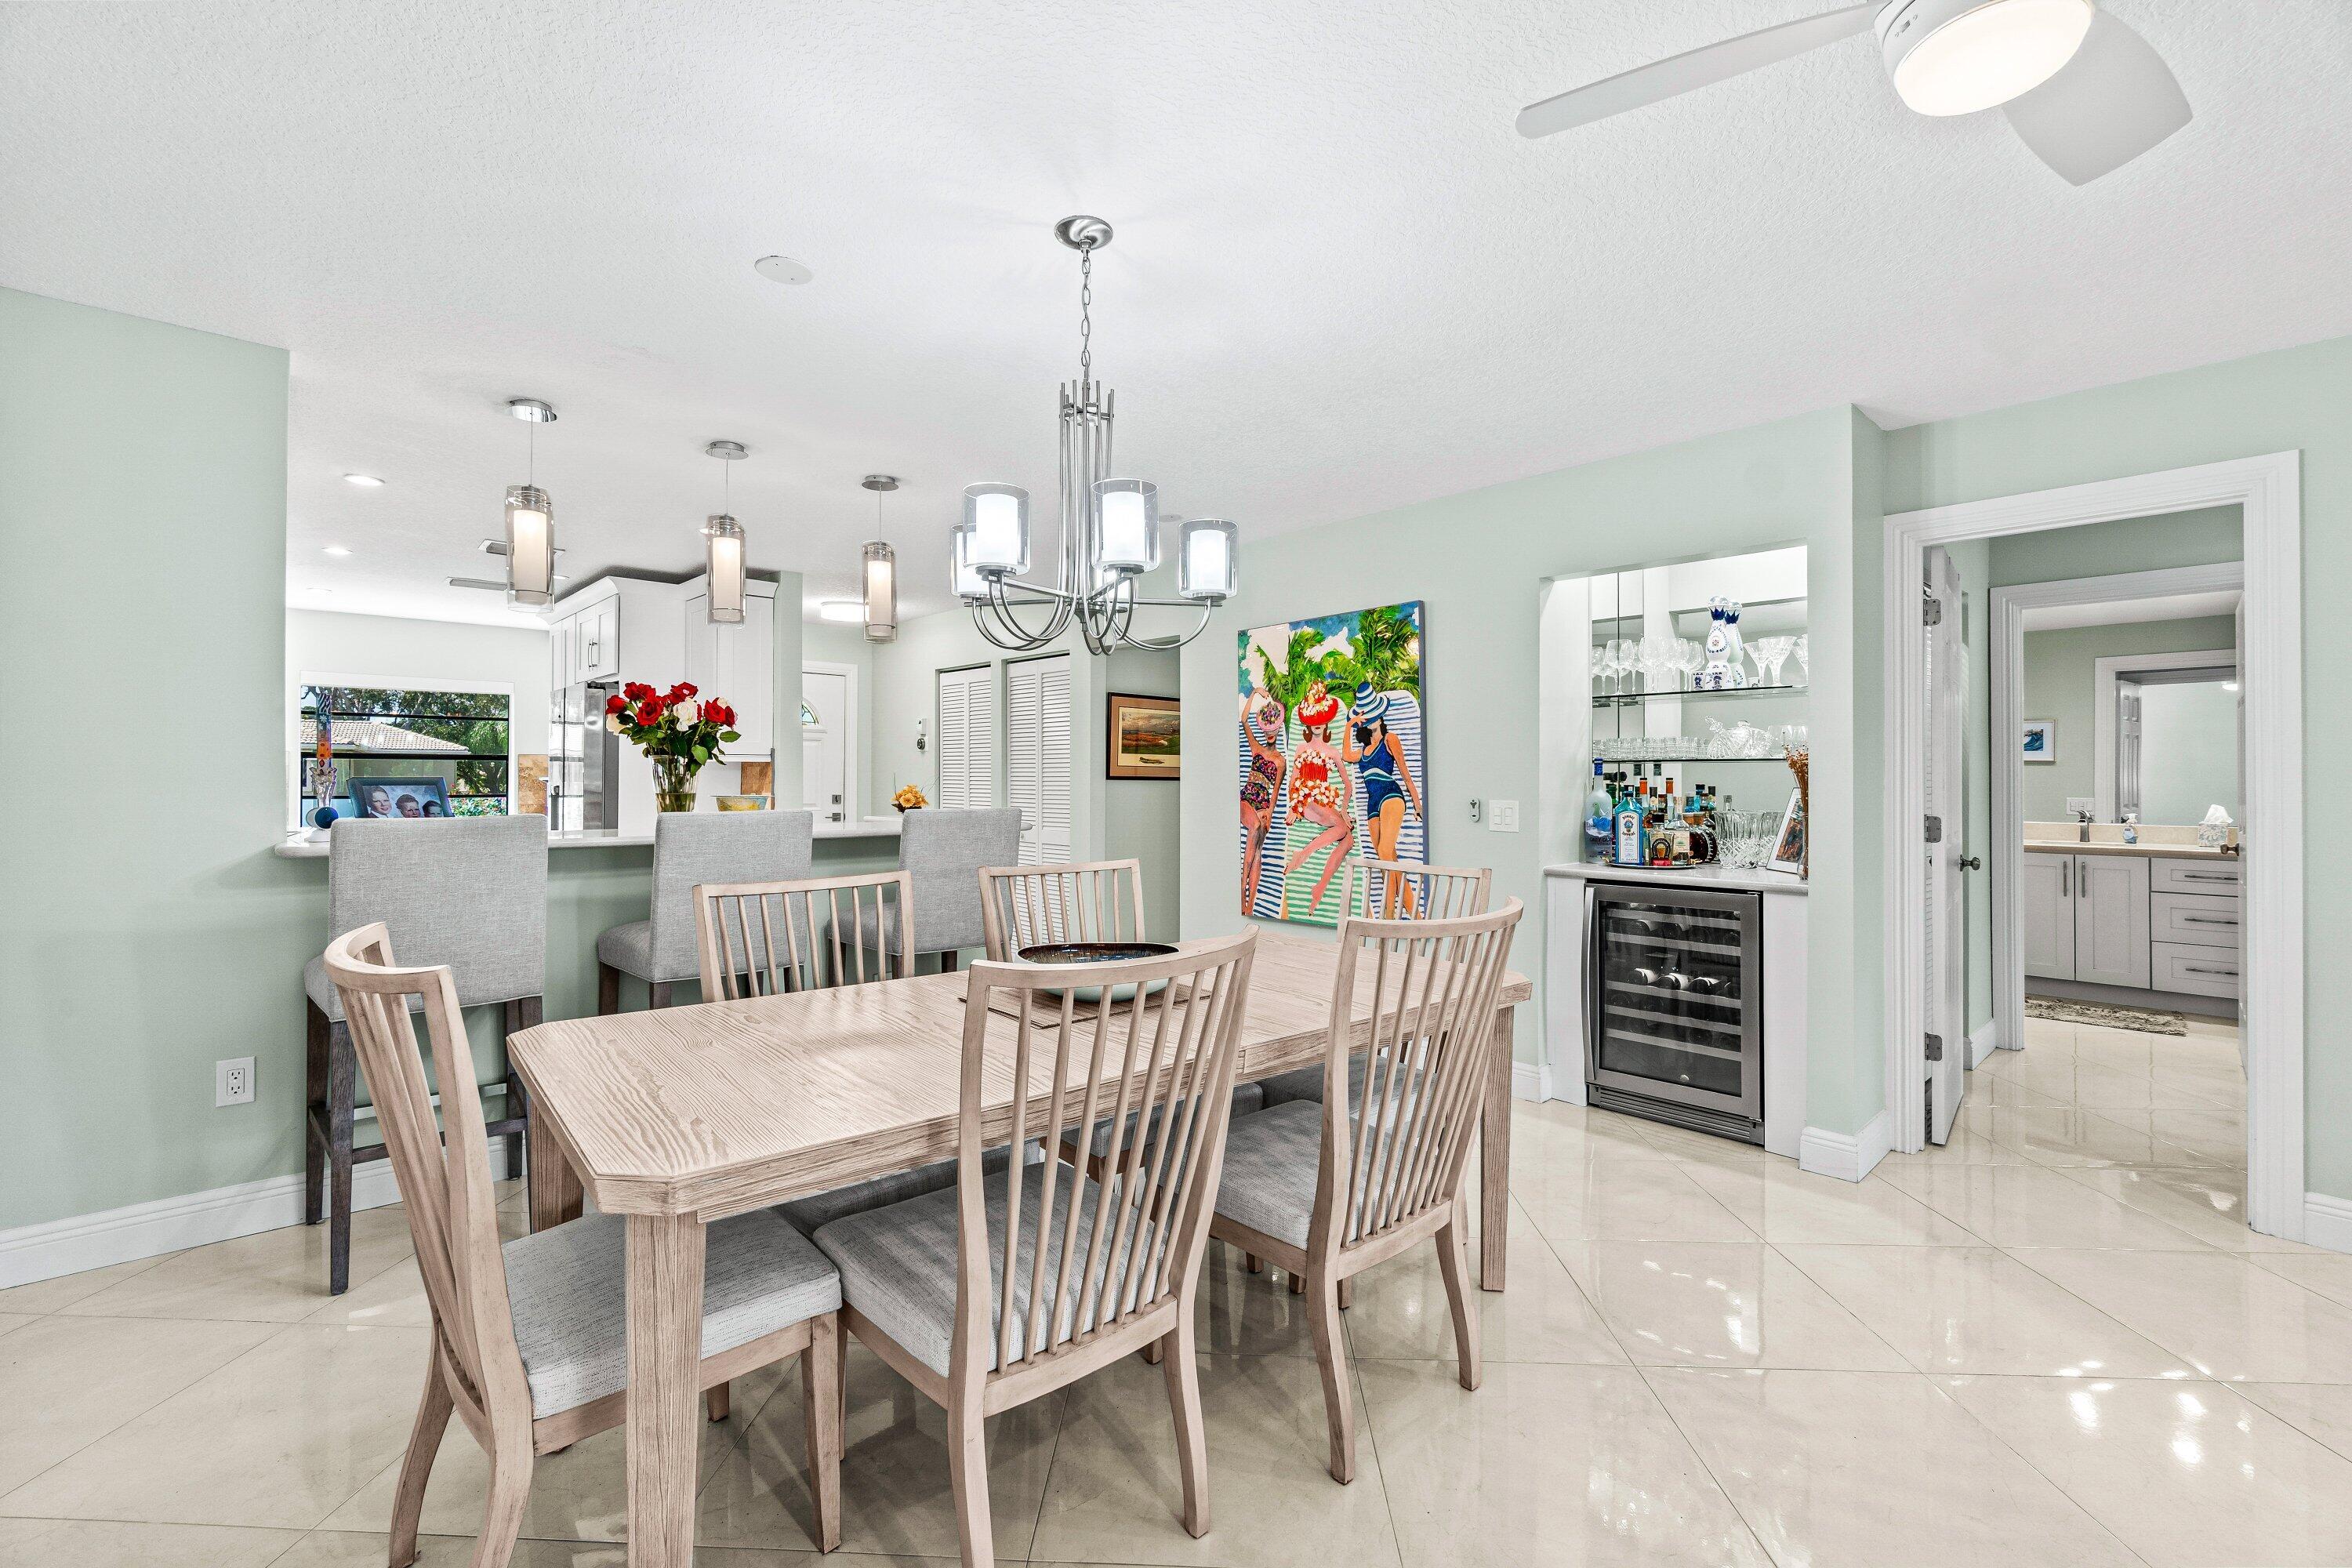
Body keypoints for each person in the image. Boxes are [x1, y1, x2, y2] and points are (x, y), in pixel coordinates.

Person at [1343, 681, 1425, 914]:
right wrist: (1349, 725)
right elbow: (1345, 754)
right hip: (1373, 804)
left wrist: (1417, 805)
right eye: (1365, 718)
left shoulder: (1391, 740)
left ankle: (1387, 916)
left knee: (1384, 852)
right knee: (1388, 860)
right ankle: (1416, 917)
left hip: (1391, 796)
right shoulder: (1364, 749)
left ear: (1381, 717)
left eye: (1373, 716)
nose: (1370, 721)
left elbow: (1405, 773)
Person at [1283, 683, 1354, 920]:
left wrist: (1343, 810)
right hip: (1306, 799)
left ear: (1325, 724)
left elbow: (1348, 784)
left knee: (1349, 839)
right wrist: (1294, 806)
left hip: (1323, 801)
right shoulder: (1301, 748)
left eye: (1321, 719)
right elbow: (1293, 780)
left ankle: (1320, 886)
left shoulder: (1333, 752)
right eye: (1314, 719)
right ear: (1308, 723)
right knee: (1342, 828)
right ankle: (1303, 854)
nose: (1317, 724)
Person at [1239, 693, 1286, 915]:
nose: (1270, 733)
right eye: (1267, 729)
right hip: (1246, 798)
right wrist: (1256, 691)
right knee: (1255, 828)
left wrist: (1270, 814)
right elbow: (1244, 719)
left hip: (1264, 805)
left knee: (1258, 851)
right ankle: (1240, 892)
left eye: (1273, 729)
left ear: (1279, 728)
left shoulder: (1280, 761)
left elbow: (1275, 793)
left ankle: (1249, 906)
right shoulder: (1256, 747)